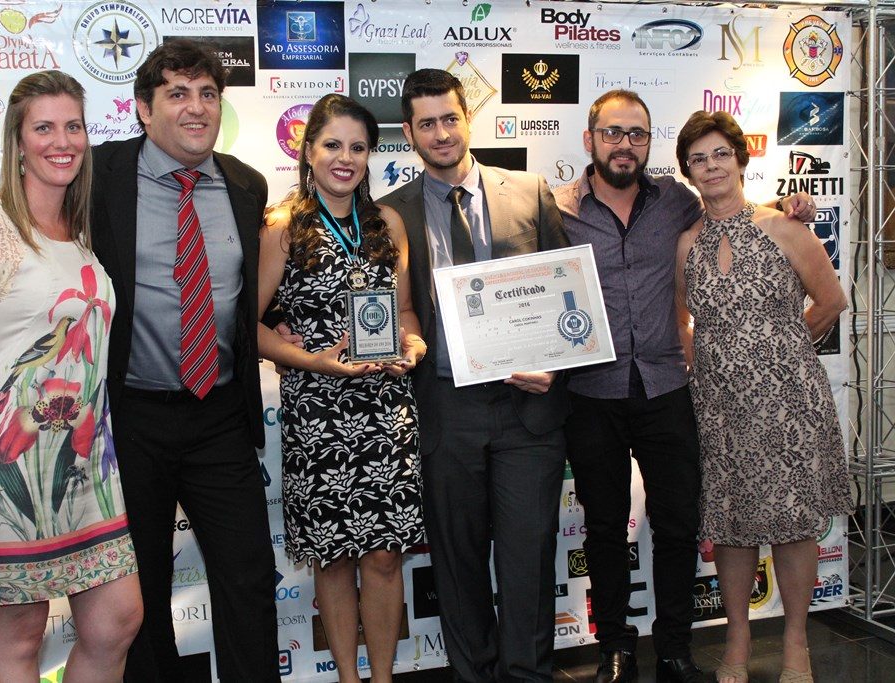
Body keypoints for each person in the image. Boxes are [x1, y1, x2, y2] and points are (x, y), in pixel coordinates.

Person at [553, 90, 816, 683]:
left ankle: (674, 647)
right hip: (590, 392)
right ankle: (615, 648)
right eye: (613, 133)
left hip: (667, 386)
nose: (625, 145)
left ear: (649, 144)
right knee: (602, 525)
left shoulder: (676, 201)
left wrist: (788, 202)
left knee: (677, 524)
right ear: (590, 139)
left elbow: (736, 214)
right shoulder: (558, 208)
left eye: (638, 135)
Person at [0, 70, 142, 682]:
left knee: (116, 620)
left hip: (81, 462)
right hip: (8, 458)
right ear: (18, 142)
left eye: (72, 126)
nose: (61, 140)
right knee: (19, 637)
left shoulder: (79, 230)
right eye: (43, 128)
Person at [89, 40, 278, 681]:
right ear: (143, 109)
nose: (196, 109)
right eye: (177, 93)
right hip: (130, 419)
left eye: (207, 94)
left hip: (219, 414)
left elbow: (261, 300)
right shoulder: (97, 176)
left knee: (249, 578)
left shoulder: (247, 184)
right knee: (138, 596)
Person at [378, 68, 571, 682]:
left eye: (450, 118)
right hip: (443, 409)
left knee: (528, 561)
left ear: (468, 119)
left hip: (527, 411)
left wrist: (554, 363)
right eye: (427, 123)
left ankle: (528, 676)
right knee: (457, 567)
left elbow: (568, 295)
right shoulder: (388, 213)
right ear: (408, 132)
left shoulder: (531, 191)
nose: (441, 132)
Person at [674, 110, 851, 683]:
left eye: (720, 153)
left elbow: (830, 300)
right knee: (728, 522)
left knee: (794, 521)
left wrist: (781, 351)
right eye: (698, 159)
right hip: (718, 404)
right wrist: (700, 363)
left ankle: (796, 642)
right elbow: (682, 320)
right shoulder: (687, 244)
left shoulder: (785, 228)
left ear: (740, 159)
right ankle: (738, 642)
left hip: (788, 400)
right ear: (688, 173)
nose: (710, 166)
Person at [257, 93, 427, 683]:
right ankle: (348, 680)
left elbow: (404, 311)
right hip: (318, 413)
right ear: (308, 151)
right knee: (332, 559)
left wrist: (413, 345)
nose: (345, 158)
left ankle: (382, 678)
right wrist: (311, 359)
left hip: (386, 411)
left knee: (384, 557)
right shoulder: (283, 228)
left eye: (358, 147)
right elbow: (246, 328)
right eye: (333, 144)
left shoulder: (388, 223)